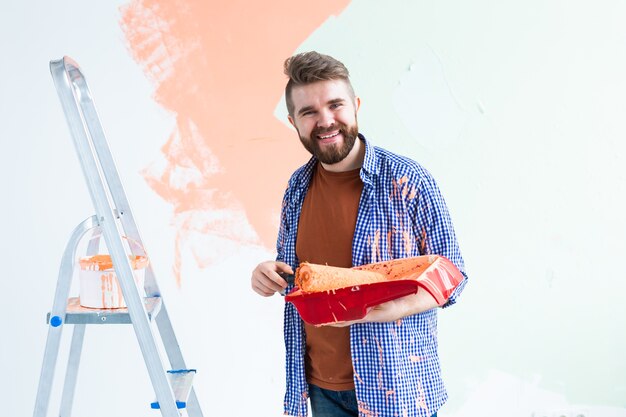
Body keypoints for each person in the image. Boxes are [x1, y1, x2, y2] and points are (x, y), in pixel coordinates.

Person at [251, 51, 468, 417]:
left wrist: (389, 310)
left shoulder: (408, 182)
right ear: (293, 122)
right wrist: (267, 274)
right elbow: (295, 277)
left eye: (335, 105)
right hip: (319, 389)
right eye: (309, 112)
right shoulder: (297, 188)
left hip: (397, 388)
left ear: (356, 106)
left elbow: (453, 276)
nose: (325, 121)